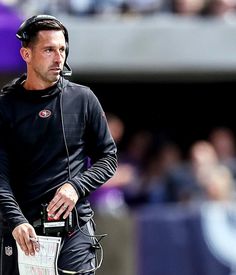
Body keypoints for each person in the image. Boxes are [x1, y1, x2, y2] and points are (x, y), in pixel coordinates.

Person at [0, 14, 117, 275]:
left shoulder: (83, 98)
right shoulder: (5, 107)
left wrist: (76, 187)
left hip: (73, 230)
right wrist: (16, 220)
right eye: (49, 50)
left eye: (62, 49)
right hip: (22, 232)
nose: (58, 58)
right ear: (26, 54)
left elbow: (108, 157)